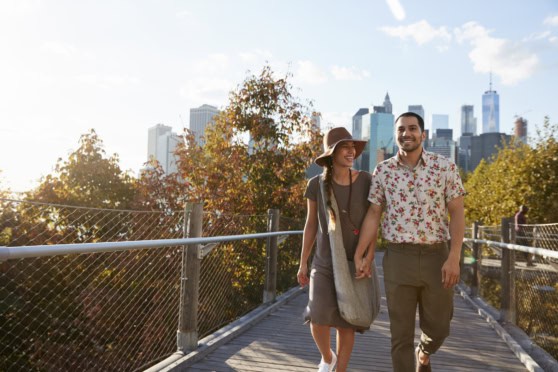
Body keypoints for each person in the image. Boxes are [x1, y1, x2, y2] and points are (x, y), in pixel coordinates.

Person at [354, 112, 466, 372]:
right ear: (396, 135)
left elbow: (457, 212)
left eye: (412, 128)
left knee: (439, 327)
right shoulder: (383, 171)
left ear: (423, 134)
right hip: (398, 258)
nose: (407, 133)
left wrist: (454, 257)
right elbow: (373, 214)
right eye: (401, 129)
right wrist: (361, 254)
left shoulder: (445, 167)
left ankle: (424, 353)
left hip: (437, 256)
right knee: (399, 335)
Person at [297, 127, 372, 372]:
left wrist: (369, 257)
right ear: (332, 153)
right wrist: (303, 262)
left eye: (353, 147)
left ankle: (340, 369)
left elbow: (374, 223)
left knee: (346, 322)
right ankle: (328, 358)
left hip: (354, 262)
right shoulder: (316, 184)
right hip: (324, 262)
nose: (351, 151)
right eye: (345, 147)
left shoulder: (366, 181)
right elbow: (310, 225)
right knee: (317, 317)